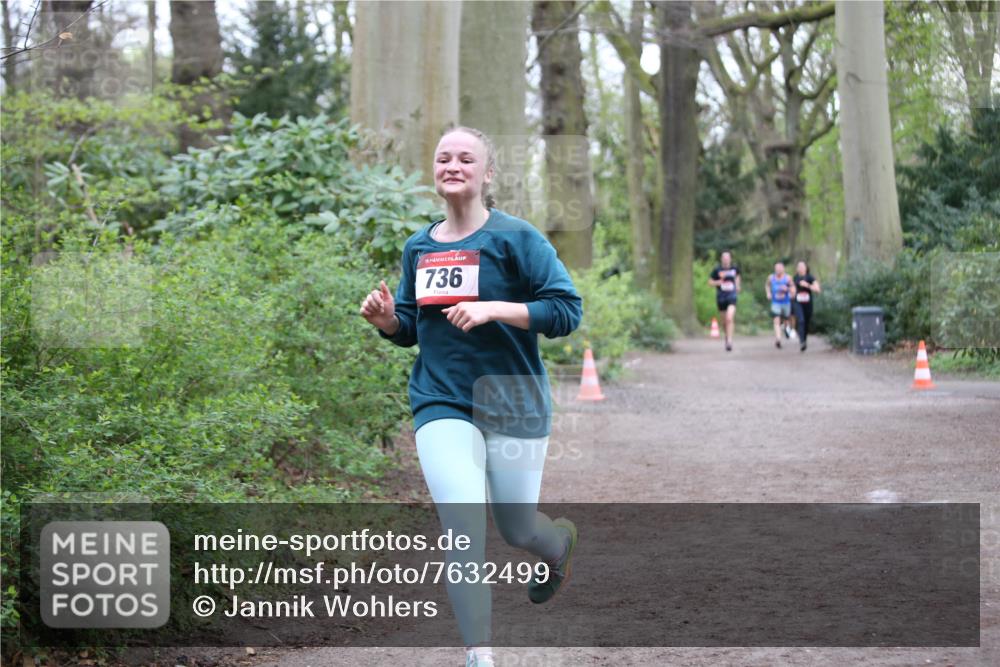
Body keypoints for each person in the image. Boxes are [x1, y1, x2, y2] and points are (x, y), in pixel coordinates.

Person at [360, 127, 583, 667]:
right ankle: (480, 658)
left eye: (466, 158)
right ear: (433, 172)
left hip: (512, 399)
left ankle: (555, 548)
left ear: (488, 175)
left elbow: (566, 311)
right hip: (442, 400)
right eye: (442, 158)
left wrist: (492, 308)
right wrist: (390, 320)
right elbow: (413, 325)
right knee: (463, 529)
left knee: (516, 526)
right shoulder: (419, 246)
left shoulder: (517, 239)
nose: (452, 165)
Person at [709, 251, 741, 351]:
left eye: (728, 257)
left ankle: (730, 341)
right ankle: (727, 336)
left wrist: (738, 285)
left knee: (729, 317)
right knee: (724, 322)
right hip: (721, 297)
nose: (726, 259)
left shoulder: (735, 269)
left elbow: (737, 277)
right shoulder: (717, 270)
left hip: (732, 295)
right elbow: (710, 282)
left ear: (730, 259)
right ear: (721, 259)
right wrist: (718, 282)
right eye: (724, 257)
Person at [792, 260, 820, 352]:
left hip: (808, 304)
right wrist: (791, 292)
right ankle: (802, 342)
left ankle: (804, 340)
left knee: (806, 322)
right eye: (798, 266)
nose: (800, 268)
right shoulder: (795, 278)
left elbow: (817, 289)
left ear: (806, 268)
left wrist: (807, 285)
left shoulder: (810, 277)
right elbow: (791, 289)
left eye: (802, 266)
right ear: (797, 268)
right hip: (797, 303)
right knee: (801, 320)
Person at [765, 261, 794, 349]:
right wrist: (768, 293)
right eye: (776, 268)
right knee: (776, 320)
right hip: (775, 302)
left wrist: (787, 289)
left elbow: (793, 288)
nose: (778, 269)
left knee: (786, 320)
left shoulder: (788, 278)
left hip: (786, 302)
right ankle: (778, 339)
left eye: (780, 268)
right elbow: (767, 285)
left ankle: (786, 329)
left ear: (783, 268)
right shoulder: (771, 277)